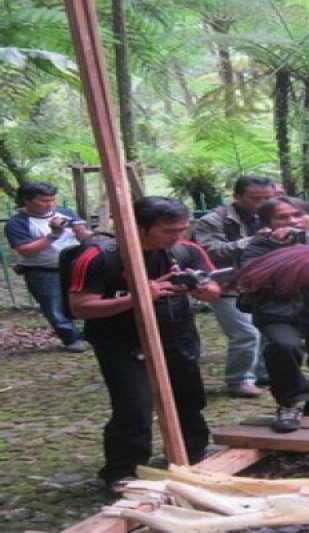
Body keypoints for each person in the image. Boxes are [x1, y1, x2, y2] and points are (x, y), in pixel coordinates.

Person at [68, 196, 220, 491]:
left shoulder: (186, 251)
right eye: (168, 231)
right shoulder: (100, 256)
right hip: (122, 344)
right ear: (137, 226)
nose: (177, 236)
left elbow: (215, 288)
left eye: (182, 229)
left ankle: (192, 453)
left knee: (188, 400)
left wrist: (201, 288)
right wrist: (137, 297)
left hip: (178, 336)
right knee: (134, 407)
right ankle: (122, 470)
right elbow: (81, 307)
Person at [237, 196, 309, 432]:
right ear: (269, 223)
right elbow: (252, 274)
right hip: (277, 310)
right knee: (283, 348)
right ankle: (290, 402)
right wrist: (279, 247)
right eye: (282, 217)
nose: (292, 221)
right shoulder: (260, 245)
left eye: (297, 215)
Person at [193, 175, 279, 398]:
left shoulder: (276, 214)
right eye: (255, 198)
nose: (262, 203)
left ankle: (263, 372)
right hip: (226, 285)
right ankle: (239, 379)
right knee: (246, 332)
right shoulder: (213, 220)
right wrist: (251, 241)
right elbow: (208, 251)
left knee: (267, 328)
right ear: (238, 196)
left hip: (263, 283)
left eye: (268, 197)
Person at [4, 181, 92, 352]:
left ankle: (90, 334)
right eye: (44, 201)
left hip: (75, 266)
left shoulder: (66, 213)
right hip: (43, 271)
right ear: (27, 201)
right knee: (53, 307)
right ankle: (71, 338)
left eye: (52, 199)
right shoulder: (18, 223)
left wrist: (83, 233)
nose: (50, 204)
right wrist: (53, 235)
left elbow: (88, 235)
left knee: (84, 300)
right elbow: (26, 251)